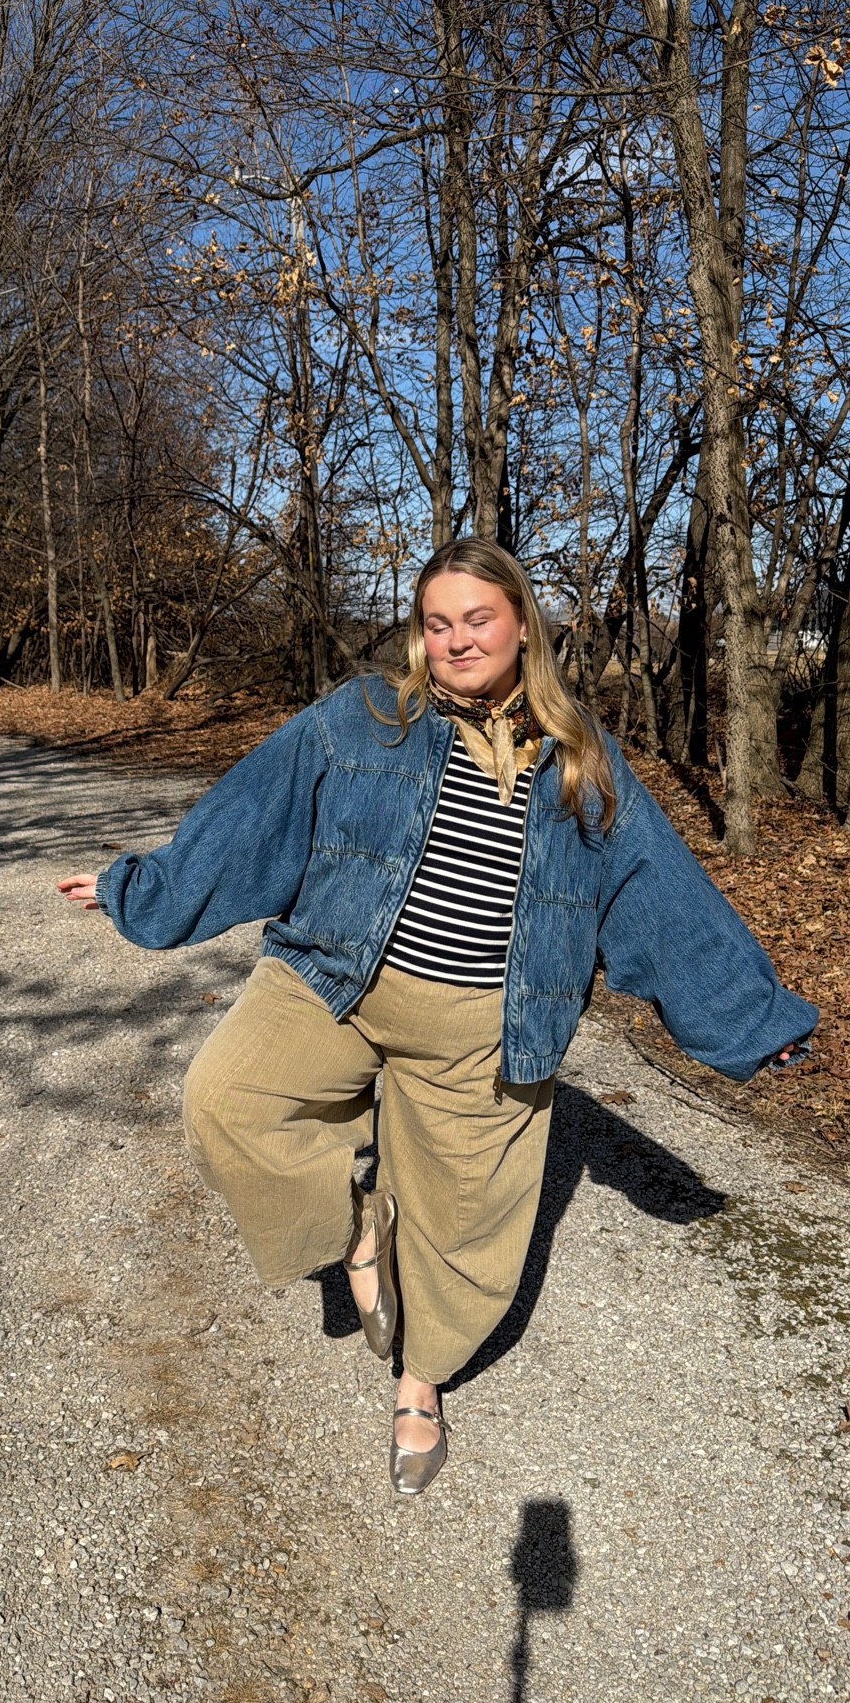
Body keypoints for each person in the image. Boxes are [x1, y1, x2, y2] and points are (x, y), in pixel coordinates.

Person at [59, 540, 816, 1496]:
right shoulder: (367, 717)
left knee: (466, 1225)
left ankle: (419, 1386)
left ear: (522, 626)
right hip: (334, 982)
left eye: (479, 618)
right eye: (438, 621)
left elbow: (658, 890)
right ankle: (356, 1232)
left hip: (485, 1025)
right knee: (227, 1100)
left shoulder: (580, 753)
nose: (458, 639)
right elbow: (253, 812)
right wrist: (143, 889)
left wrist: (750, 1017)